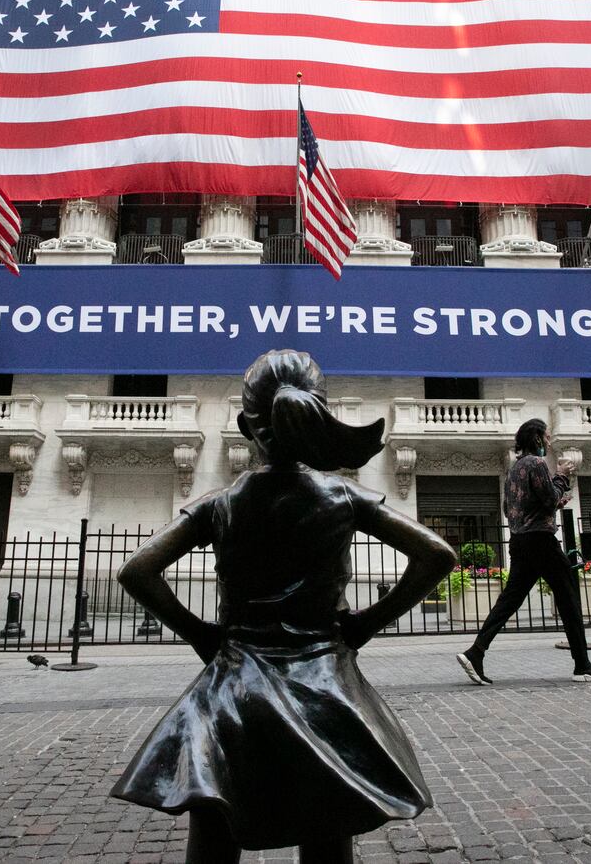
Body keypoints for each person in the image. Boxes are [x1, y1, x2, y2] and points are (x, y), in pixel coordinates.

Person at [112, 350, 457, 864]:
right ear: (317, 412)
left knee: (215, 821)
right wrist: (364, 625)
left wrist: (200, 635)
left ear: (243, 426)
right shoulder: (342, 495)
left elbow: (137, 570)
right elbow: (437, 554)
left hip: (231, 686)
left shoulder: (220, 503)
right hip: (325, 684)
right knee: (327, 824)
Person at [456, 419, 591, 686]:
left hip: (519, 541)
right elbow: (549, 498)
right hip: (540, 542)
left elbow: (511, 509)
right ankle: (583, 665)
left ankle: (475, 652)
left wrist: (551, 501)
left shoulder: (514, 469)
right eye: (548, 437)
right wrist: (562, 475)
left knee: (509, 601)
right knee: (568, 597)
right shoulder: (537, 463)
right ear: (538, 438)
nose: (550, 442)